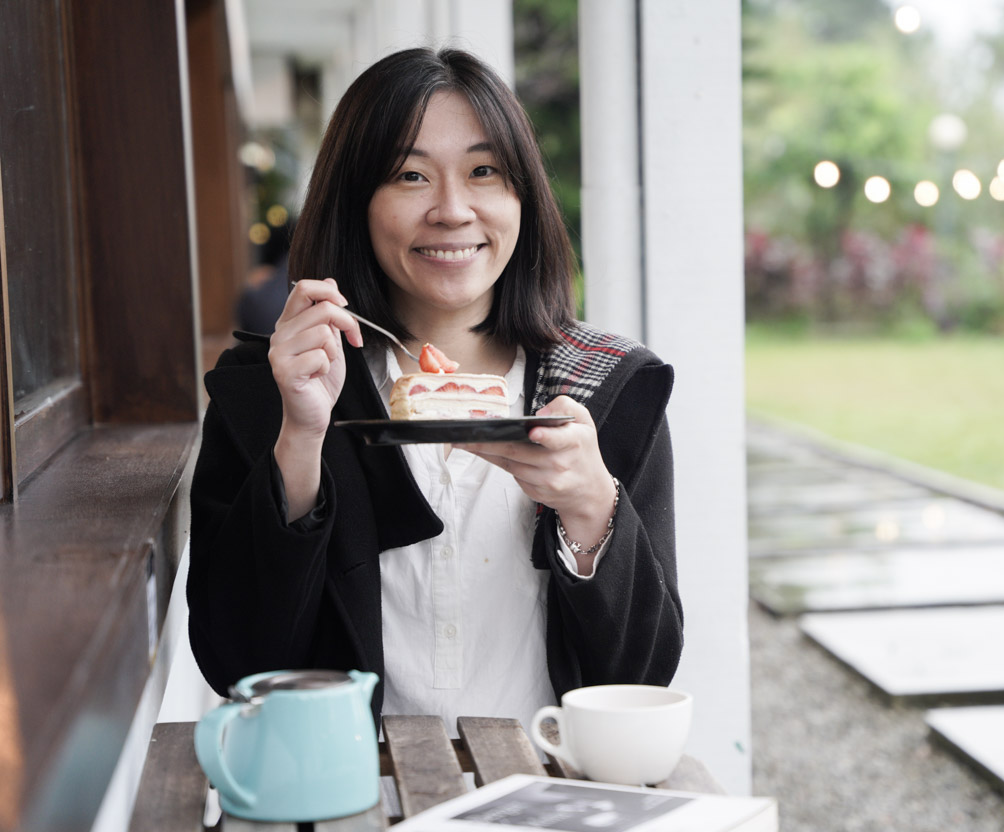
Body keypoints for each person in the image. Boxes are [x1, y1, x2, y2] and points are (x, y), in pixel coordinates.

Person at [187, 47, 682, 733]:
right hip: (352, 809)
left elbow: (643, 673)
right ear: (356, 200)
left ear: (523, 198)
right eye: (410, 175)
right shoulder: (270, 391)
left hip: (544, 802)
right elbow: (237, 660)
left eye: (485, 172)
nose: (452, 211)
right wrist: (301, 437)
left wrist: (593, 507)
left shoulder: (608, 389)